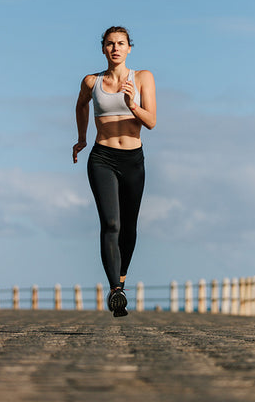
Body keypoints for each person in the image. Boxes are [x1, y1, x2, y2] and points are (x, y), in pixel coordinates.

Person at [73, 26, 156, 317]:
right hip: (102, 157)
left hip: (133, 158)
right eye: (110, 44)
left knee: (129, 228)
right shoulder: (91, 81)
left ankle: (120, 279)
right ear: (103, 48)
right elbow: (81, 106)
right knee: (111, 224)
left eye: (121, 43)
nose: (115, 48)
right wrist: (82, 138)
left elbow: (152, 121)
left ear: (129, 48)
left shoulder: (142, 78)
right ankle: (115, 291)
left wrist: (132, 104)